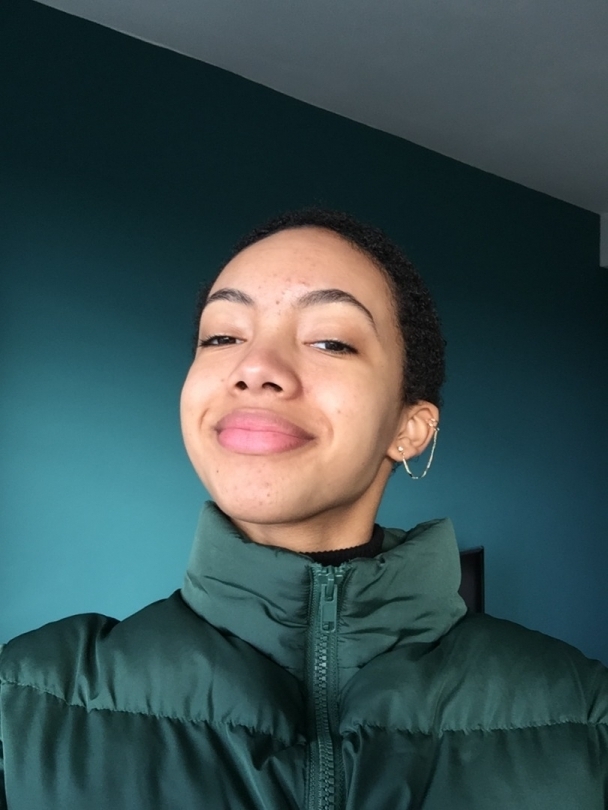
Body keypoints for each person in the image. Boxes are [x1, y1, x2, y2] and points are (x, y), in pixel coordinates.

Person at [0, 209, 606, 810]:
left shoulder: (589, 720)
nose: (255, 368)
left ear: (410, 428)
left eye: (330, 341)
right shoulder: (20, 704)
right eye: (222, 337)